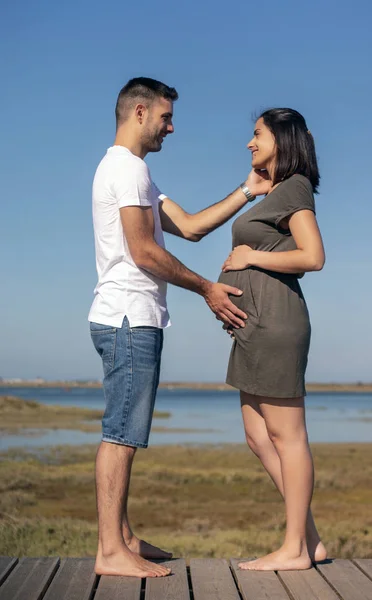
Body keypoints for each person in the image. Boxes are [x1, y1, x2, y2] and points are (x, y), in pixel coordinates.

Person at [88, 77, 271, 578]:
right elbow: (143, 251)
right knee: (121, 433)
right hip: (129, 316)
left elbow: (189, 227)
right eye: (167, 117)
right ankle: (110, 551)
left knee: (123, 428)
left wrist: (247, 191)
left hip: (129, 316)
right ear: (141, 112)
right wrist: (207, 289)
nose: (172, 126)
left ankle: (122, 537)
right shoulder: (124, 171)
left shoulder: (138, 173)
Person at [219, 108, 326, 571]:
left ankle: (294, 549)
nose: (249, 142)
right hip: (252, 325)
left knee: (287, 436)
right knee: (258, 436)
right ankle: (311, 540)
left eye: (257, 134)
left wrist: (251, 257)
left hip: (279, 324)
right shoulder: (276, 191)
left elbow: (313, 256)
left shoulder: (297, 186)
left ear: (282, 138)